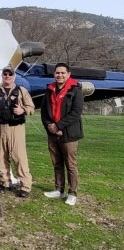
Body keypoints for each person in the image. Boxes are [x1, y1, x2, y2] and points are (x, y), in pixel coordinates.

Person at [41, 62, 84, 206]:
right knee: (57, 162)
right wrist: (50, 127)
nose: (59, 75)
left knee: (70, 164)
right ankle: (59, 189)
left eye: (62, 73)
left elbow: (76, 112)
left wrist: (59, 126)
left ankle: (72, 193)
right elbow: (44, 112)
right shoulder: (49, 89)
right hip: (52, 133)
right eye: (57, 73)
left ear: (68, 74)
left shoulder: (75, 90)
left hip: (69, 133)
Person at [0, 65, 35, 198]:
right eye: (5, 74)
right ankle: (5, 182)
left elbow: (31, 107)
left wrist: (22, 110)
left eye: (10, 74)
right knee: (1, 155)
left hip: (16, 128)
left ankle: (25, 185)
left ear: (14, 76)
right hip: (0, 127)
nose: (7, 76)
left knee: (19, 156)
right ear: (2, 75)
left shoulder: (21, 91)